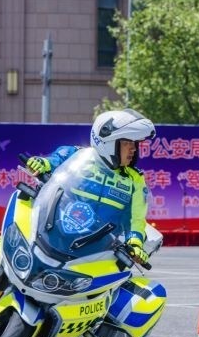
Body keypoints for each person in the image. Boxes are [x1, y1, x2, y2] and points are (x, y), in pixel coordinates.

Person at [24, 108, 155, 265]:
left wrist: (135, 243)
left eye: (134, 144)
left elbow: (136, 219)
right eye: (127, 143)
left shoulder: (135, 180)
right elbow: (53, 161)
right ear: (108, 143)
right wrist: (42, 163)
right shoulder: (75, 155)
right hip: (53, 232)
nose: (133, 149)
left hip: (96, 251)